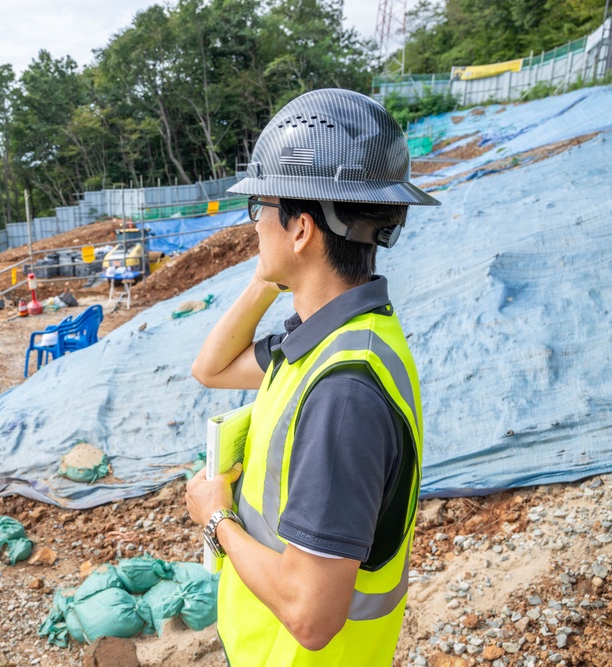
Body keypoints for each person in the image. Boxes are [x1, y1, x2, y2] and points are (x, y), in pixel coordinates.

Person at [185, 89, 440, 666]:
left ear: (301, 229)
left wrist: (217, 519)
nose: (253, 227)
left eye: (259, 210)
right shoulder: (325, 342)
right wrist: (274, 272)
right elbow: (213, 368)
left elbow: (310, 615)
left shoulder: (343, 390)